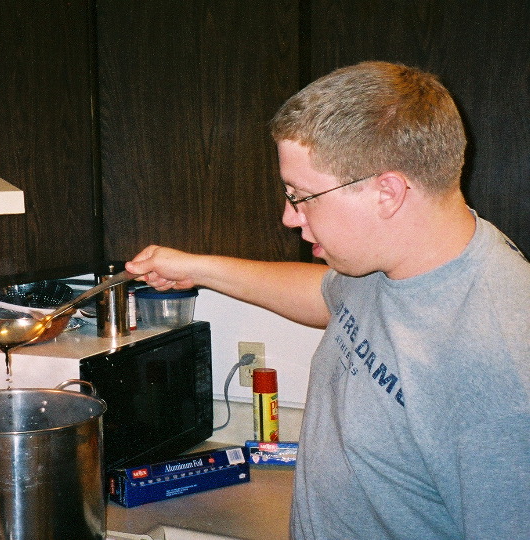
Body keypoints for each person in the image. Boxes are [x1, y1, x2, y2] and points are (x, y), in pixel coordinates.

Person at [126, 61, 530, 539]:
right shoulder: (387, 260)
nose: (289, 217)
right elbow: (325, 296)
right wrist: (198, 269)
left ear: (387, 193)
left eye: (302, 196)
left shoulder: (500, 359)